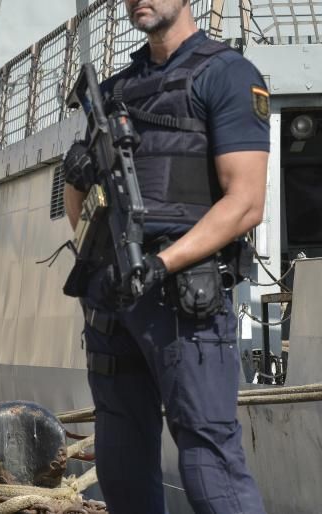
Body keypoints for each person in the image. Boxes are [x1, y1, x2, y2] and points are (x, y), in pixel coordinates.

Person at [63, 1, 269, 512]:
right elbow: (78, 202)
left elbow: (246, 203)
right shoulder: (113, 91)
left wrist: (159, 264)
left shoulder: (227, 75)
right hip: (115, 300)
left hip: (182, 298)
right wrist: (83, 187)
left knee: (208, 462)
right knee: (121, 463)